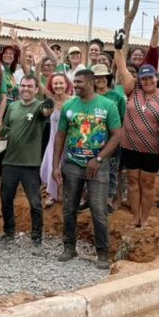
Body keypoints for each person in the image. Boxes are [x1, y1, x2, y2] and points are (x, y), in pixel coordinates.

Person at [53, 69, 122, 270]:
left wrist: (98, 159)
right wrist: (56, 165)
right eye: (74, 82)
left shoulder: (107, 105)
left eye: (79, 82)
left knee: (99, 210)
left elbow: (117, 135)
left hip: (98, 167)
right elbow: (60, 136)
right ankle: (69, 247)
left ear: (91, 83)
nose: (75, 85)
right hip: (72, 164)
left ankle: (103, 254)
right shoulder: (69, 105)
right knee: (69, 207)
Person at [0, 76, 53, 255]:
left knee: (35, 203)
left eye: (30, 86)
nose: (26, 89)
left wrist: (44, 89)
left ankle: (36, 238)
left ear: (36, 89)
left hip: (31, 164)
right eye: (23, 86)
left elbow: (48, 109)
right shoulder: (12, 106)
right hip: (9, 162)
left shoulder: (39, 107)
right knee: (6, 200)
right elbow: (4, 132)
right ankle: (9, 232)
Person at [116, 56, 159, 228]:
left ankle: (145, 219)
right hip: (129, 145)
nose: (147, 81)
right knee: (132, 181)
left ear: (156, 78)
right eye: (143, 78)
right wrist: (118, 50)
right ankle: (135, 217)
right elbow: (122, 69)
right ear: (139, 80)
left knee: (148, 183)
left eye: (150, 77)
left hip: (153, 148)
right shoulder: (133, 90)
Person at [91, 64, 126, 212]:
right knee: (92, 169)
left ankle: (109, 199)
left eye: (103, 77)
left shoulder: (116, 97)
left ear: (108, 78)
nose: (100, 80)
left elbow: (123, 118)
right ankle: (91, 198)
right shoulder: (89, 96)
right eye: (97, 77)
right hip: (92, 140)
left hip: (112, 140)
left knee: (112, 170)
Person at [38, 73, 73, 207]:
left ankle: (70, 195)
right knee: (51, 167)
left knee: (69, 168)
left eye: (61, 83)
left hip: (69, 140)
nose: (58, 86)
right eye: (55, 83)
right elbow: (38, 82)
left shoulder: (73, 101)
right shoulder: (50, 101)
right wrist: (38, 65)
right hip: (53, 141)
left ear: (66, 84)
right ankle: (51, 194)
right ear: (51, 86)